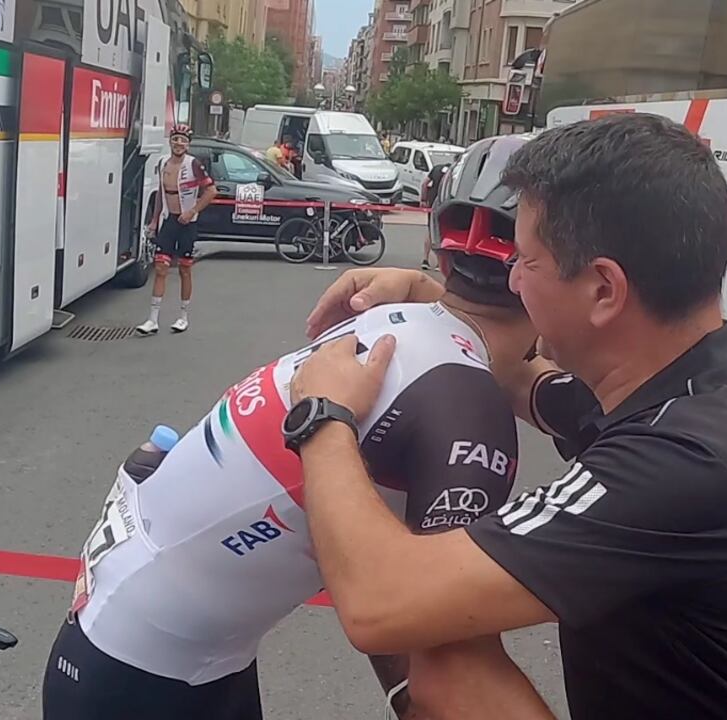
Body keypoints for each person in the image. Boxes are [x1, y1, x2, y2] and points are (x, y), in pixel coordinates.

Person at [289, 118, 727, 719]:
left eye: (526, 261)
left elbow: (380, 602)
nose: (510, 279)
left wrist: (322, 414)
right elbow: (525, 381)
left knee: (449, 660)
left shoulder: (686, 461)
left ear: (604, 290)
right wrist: (438, 306)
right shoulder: (697, 384)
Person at [40, 176, 556, 720]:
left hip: (150, 644)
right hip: (154, 673)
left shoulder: (392, 320)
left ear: (441, 260)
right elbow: (446, 669)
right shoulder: (466, 406)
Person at [136, 125, 217, 336]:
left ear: (188, 144)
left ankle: (183, 316)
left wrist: (192, 211)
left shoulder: (194, 164)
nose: (179, 143)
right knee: (161, 268)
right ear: (170, 141)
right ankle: (152, 319)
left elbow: (211, 191)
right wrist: (154, 221)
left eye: (183, 140)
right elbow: (161, 196)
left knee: (184, 269)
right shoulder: (163, 162)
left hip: (188, 223)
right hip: (169, 221)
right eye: (176, 139)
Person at [419, 162, 452, 271]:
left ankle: (425, 259)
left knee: (430, 230)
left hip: (432, 203)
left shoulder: (436, 169)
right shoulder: (453, 171)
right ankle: (439, 263)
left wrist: (423, 199)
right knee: (441, 232)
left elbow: (424, 184)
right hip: (445, 202)